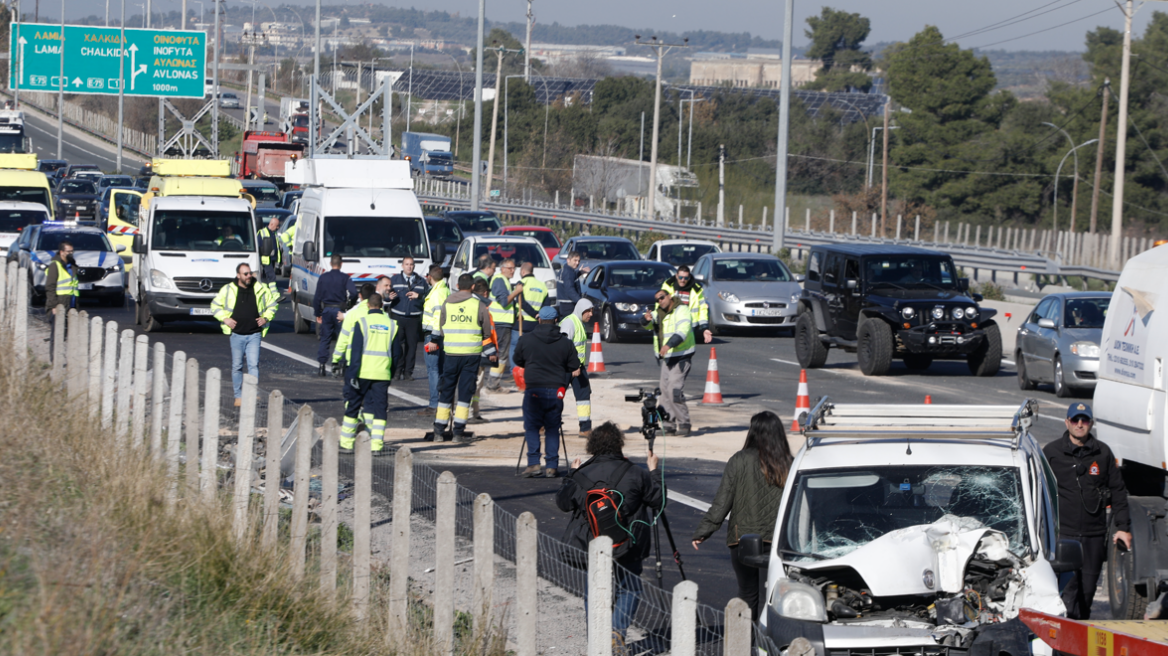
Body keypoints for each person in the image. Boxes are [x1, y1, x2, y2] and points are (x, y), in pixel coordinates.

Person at [556, 422, 664, 643]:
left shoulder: (581, 473)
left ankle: (597, 640)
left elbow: (563, 503)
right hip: (628, 540)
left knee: (594, 591)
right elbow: (658, 500)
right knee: (630, 587)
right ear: (619, 444)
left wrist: (571, 474)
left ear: (592, 445)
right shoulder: (636, 472)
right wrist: (654, 471)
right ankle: (616, 632)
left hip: (592, 541)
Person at [691, 411, 793, 620]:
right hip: (778, 540)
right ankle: (768, 637)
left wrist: (704, 531)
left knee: (747, 593)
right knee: (771, 595)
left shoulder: (739, 460)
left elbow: (723, 500)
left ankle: (744, 637)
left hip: (743, 539)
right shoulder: (789, 463)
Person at [1043, 402, 1132, 620]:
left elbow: (1118, 491)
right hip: (1065, 536)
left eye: (1084, 420)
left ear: (1091, 423)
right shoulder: (1052, 452)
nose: (1080, 424)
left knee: (1087, 592)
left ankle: (1080, 631)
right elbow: (1038, 490)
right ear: (1067, 422)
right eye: (1075, 420)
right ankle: (1064, 635)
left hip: (1094, 536)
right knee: (1067, 592)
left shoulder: (1103, 453)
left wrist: (1122, 527)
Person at [513, 306, 581, 477]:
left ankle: (533, 463)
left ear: (539, 319)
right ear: (556, 320)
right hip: (556, 389)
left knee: (532, 426)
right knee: (552, 427)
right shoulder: (565, 342)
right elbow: (574, 365)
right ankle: (551, 465)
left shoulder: (526, 339)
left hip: (534, 388)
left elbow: (517, 359)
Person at [332, 293, 400, 456]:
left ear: (368, 305)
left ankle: (347, 444)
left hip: (362, 372)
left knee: (353, 406)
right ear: (382, 306)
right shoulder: (392, 324)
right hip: (382, 373)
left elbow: (356, 351)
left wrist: (352, 374)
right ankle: (376, 445)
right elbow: (397, 353)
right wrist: (390, 372)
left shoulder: (362, 323)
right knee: (379, 409)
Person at [432, 274, 497, 442]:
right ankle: (458, 432)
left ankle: (439, 430)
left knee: (446, 391)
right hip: (471, 355)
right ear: (473, 287)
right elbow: (486, 332)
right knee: (465, 393)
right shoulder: (478, 305)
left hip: (451, 353)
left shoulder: (447, 302)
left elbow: (441, 328)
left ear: (457, 285)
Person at [211, 263, 278, 406]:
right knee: (237, 366)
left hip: (254, 334)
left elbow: (273, 305)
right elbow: (215, 306)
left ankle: (252, 394)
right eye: (245, 274)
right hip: (237, 334)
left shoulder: (261, 288)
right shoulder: (228, 289)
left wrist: (266, 318)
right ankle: (238, 396)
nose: (249, 276)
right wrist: (225, 319)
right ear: (238, 275)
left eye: (250, 273)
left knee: (253, 365)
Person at [642, 291, 696, 436]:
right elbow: (647, 325)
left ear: (669, 296)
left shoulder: (681, 310)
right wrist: (645, 319)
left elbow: (683, 330)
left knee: (674, 390)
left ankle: (684, 423)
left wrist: (668, 345)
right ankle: (668, 425)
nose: (660, 301)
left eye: (662, 297)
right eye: (657, 299)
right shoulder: (658, 313)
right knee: (664, 392)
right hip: (667, 358)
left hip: (681, 356)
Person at [313, 254, 358, 376]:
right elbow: (354, 293)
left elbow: (317, 297)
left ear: (330, 263)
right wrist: (349, 305)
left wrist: (318, 313)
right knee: (342, 338)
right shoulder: (345, 278)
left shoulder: (323, 277)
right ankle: (342, 365)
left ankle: (322, 365)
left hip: (327, 310)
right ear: (341, 264)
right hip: (340, 311)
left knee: (325, 338)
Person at [389, 255, 428, 381]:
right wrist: (388, 297)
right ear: (402, 266)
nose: (409, 267)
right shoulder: (394, 279)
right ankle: (396, 371)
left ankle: (408, 373)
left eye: (411, 264)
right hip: (397, 316)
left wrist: (419, 296)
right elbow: (385, 295)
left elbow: (428, 297)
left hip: (414, 318)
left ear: (414, 266)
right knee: (397, 346)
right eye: (407, 264)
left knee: (412, 346)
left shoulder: (421, 281)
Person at [559, 299, 594, 437]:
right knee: (556, 396)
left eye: (592, 311)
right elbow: (564, 346)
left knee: (584, 396)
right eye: (588, 311)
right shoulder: (570, 322)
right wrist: (572, 365)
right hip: (565, 367)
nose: (591, 314)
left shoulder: (579, 323)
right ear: (580, 310)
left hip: (578, 367)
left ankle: (585, 428)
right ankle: (545, 424)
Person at [487, 258, 523, 389]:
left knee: (501, 354)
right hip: (500, 322)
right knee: (501, 354)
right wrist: (516, 292)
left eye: (514, 268)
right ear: (502, 269)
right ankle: (493, 384)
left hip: (503, 321)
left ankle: (493, 383)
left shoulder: (504, 281)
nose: (513, 271)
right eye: (510, 268)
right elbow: (503, 302)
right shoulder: (499, 280)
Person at [469, 277, 500, 423]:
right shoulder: (482, 309)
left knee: (476, 384)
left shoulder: (472, 305)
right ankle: (470, 413)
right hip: (479, 352)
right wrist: (491, 351)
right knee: (475, 384)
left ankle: (475, 412)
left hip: (472, 351)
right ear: (485, 293)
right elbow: (485, 333)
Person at [421, 265, 450, 416]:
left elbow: (438, 317)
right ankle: (443, 404)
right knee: (441, 370)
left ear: (430, 277)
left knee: (433, 370)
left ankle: (434, 405)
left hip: (434, 335)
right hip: (442, 335)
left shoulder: (437, 293)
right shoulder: (444, 290)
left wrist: (433, 338)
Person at [660, 265, 711, 344]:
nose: (683, 280)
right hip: (671, 325)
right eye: (680, 277)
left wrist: (705, 327)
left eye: (685, 278)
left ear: (689, 277)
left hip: (689, 327)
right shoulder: (667, 287)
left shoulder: (696, 290)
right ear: (676, 276)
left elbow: (702, 309)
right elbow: (660, 306)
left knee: (686, 349)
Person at [44, 239, 77, 315]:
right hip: (59, 304)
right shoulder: (55, 265)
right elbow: (50, 287)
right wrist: (53, 306)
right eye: (68, 251)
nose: (71, 253)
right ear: (61, 252)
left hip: (71, 305)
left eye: (72, 251)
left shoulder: (72, 265)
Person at [517, 261, 548, 334]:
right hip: (537, 323)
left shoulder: (521, 283)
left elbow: (521, 302)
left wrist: (534, 314)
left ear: (523, 271)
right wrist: (538, 315)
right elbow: (546, 305)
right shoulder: (542, 285)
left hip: (522, 323)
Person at [555, 250, 590, 316]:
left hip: (565, 305)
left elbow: (571, 278)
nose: (577, 263)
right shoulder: (568, 273)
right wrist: (580, 301)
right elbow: (570, 290)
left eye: (579, 261)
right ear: (568, 260)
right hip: (569, 306)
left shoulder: (566, 270)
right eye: (575, 260)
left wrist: (579, 272)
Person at [256, 215, 282, 295]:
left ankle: (265, 293)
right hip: (266, 259)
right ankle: (275, 295)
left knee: (265, 278)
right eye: (277, 226)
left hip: (272, 259)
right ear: (272, 224)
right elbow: (259, 247)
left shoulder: (274, 233)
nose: (278, 227)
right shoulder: (262, 233)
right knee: (272, 276)